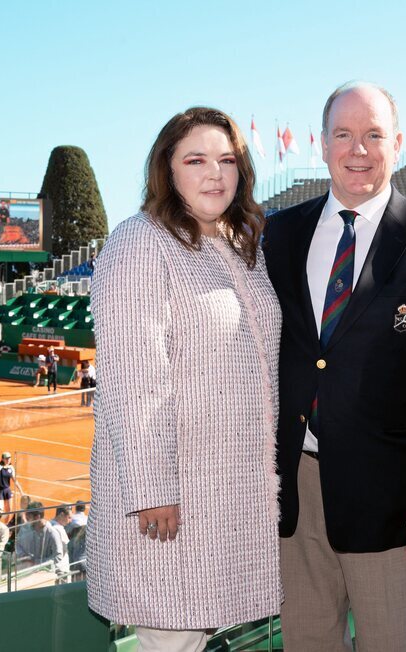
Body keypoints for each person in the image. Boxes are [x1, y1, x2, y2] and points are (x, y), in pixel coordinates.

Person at [262, 82, 406, 649]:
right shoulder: (280, 233)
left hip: (396, 504)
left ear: (398, 143)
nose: (357, 150)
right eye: (344, 134)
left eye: (372, 135)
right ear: (322, 144)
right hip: (294, 493)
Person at [87, 106, 281, 650]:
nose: (214, 174)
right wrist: (152, 489)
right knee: (172, 639)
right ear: (166, 171)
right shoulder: (139, 242)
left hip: (229, 488)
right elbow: (133, 378)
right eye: (195, 160)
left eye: (227, 160)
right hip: (172, 497)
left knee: (195, 637)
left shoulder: (244, 243)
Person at [15, 501, 68, 582]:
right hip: (27, 573)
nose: (26, 519)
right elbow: (18, 544)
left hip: (44, 576)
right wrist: (24, 557)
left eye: (29, 517)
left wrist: (38, 563)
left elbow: (58, 556)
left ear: (38, 517)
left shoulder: (52, 533)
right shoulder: (25, 528)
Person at [0, 452, 23, 519]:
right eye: (6, 458)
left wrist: (21, 491)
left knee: (9, 510)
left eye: (9, 458)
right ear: (3, 459)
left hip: (7, 490)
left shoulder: (11, 468)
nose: (8, 460)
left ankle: (6, 526)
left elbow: (15, 480)